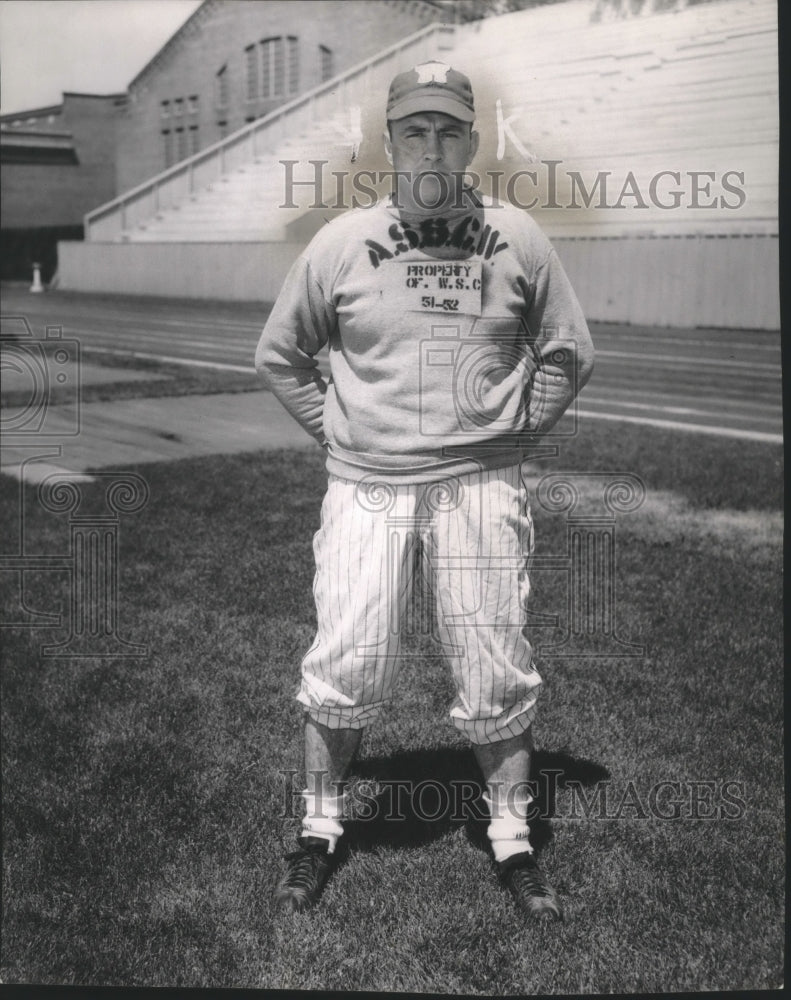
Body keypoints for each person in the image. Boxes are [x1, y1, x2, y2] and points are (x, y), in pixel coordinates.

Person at [255, 61, 594, 922]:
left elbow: (565, 351)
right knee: (348, 656)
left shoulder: (516, 236)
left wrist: (518, 432)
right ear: (391, 141)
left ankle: (513, 841)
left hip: (480, 484)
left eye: (449, 129)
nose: (432, 145)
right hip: (365, 488)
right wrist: (335, 430)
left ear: (472, 142)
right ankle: (319, 828)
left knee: (494, 661)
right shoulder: (339, 241)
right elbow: (280, 355)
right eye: (415, 130)